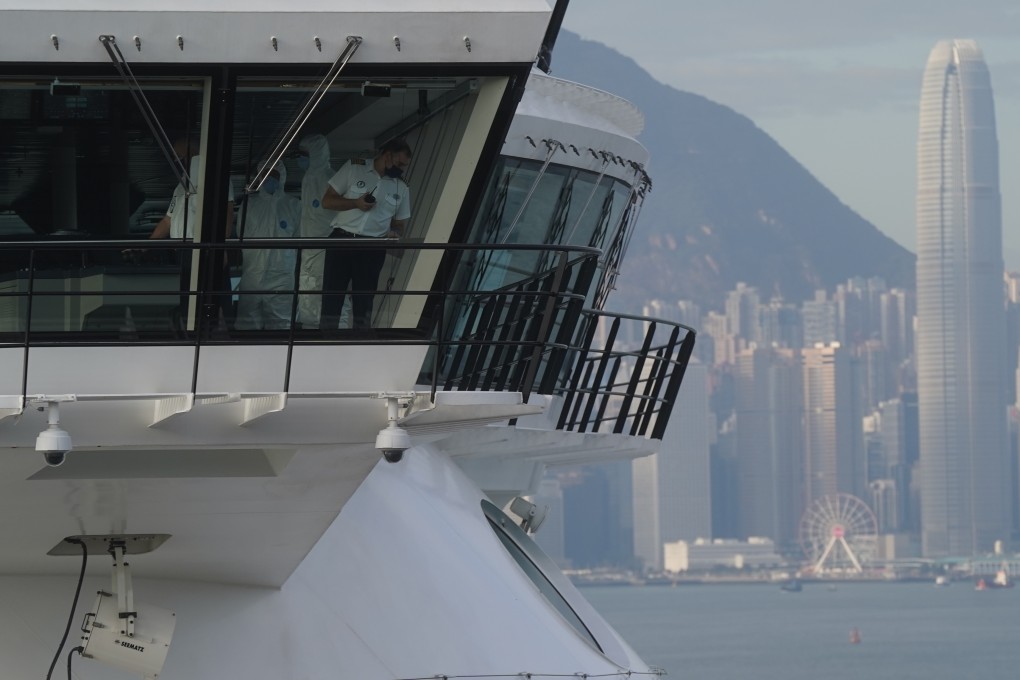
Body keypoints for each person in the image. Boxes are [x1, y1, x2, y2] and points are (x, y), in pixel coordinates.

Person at [318, 138, 412, 330]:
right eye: (400, 163)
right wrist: (355, 203)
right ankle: (325, 340)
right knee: (332, 297)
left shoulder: (401, 187)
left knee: (364, 301)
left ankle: (359, 342)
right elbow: (327, 201)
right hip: (342, 239)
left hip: (372, 247)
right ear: (387, 155)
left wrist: (395, 232)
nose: (402, 169)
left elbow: (400, 223)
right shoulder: (354, 168)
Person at [234, 160, 301, 330]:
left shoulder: (294, 205)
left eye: (274, 175)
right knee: (246, 326)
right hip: (252, 274)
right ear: (260, 177)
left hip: (281, 277)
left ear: (282, 177)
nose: (269, 178)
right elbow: (240, 234)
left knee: (281, 327)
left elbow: (300, 239)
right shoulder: (249, 204)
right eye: (265, 175)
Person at [294, 134, 338, 328]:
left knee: (332, 300)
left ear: (316, 154)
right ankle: (310, 339)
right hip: (310, 250)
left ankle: (335, 340)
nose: (300, 158)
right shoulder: (308, 179)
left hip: (326, 250)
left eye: (304, 154)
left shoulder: (331, 179)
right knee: (310, 300)